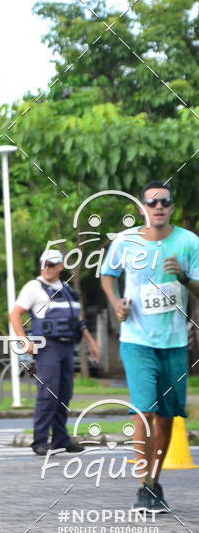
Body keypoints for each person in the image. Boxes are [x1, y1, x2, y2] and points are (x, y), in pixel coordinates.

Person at [100, 181, 199, 514]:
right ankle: (143, 484)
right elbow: (108, 274)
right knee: (145, 409)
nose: (159, 207)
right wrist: (116, 302)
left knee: (167, 416)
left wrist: (184, 278)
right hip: (136, 340)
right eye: (152, 203)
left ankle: (154, 483)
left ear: (172, 207)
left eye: (165, 202)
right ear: (142, 208)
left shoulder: (188, 242)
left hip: (174, 343)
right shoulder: (125, 241)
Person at [10, 249, 100, 456]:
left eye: (51, 264)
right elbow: (15, 314)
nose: (46, 268)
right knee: (48, 394)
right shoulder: (34, 287)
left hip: (67, 347)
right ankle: (40, 441)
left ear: (60, 266)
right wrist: (24, 340)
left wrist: (91, 342)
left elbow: (78, 320)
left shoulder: (67, 289)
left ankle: (61, 440)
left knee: (64, 394)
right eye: (43, 264)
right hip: (47, 346)